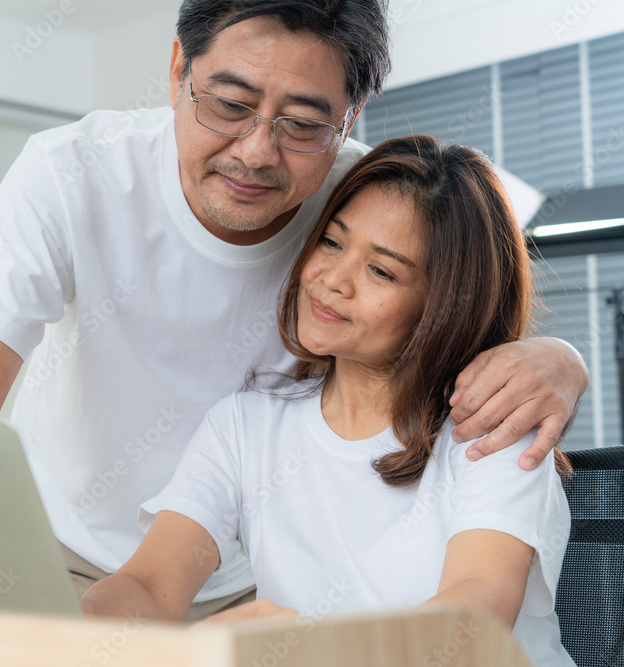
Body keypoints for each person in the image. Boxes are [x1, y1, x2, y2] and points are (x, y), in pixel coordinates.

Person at [0, 0, 589, 619]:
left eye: (303, 122)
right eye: (229, 105)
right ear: (178, 71)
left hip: (255, 579)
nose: (257, 152)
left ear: (347, 119)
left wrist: (559, 358)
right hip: (79, 546)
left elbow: (475, 274)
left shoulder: (368, 190)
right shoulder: (72, 173)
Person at [80, 135, 577, 667]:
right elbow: (150, 583)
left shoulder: (494, 428)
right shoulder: (245, 426)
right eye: (332, 243)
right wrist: (79, 628)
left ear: (444, 304)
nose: (332, 280)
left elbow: (470, 623)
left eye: (381, 271)